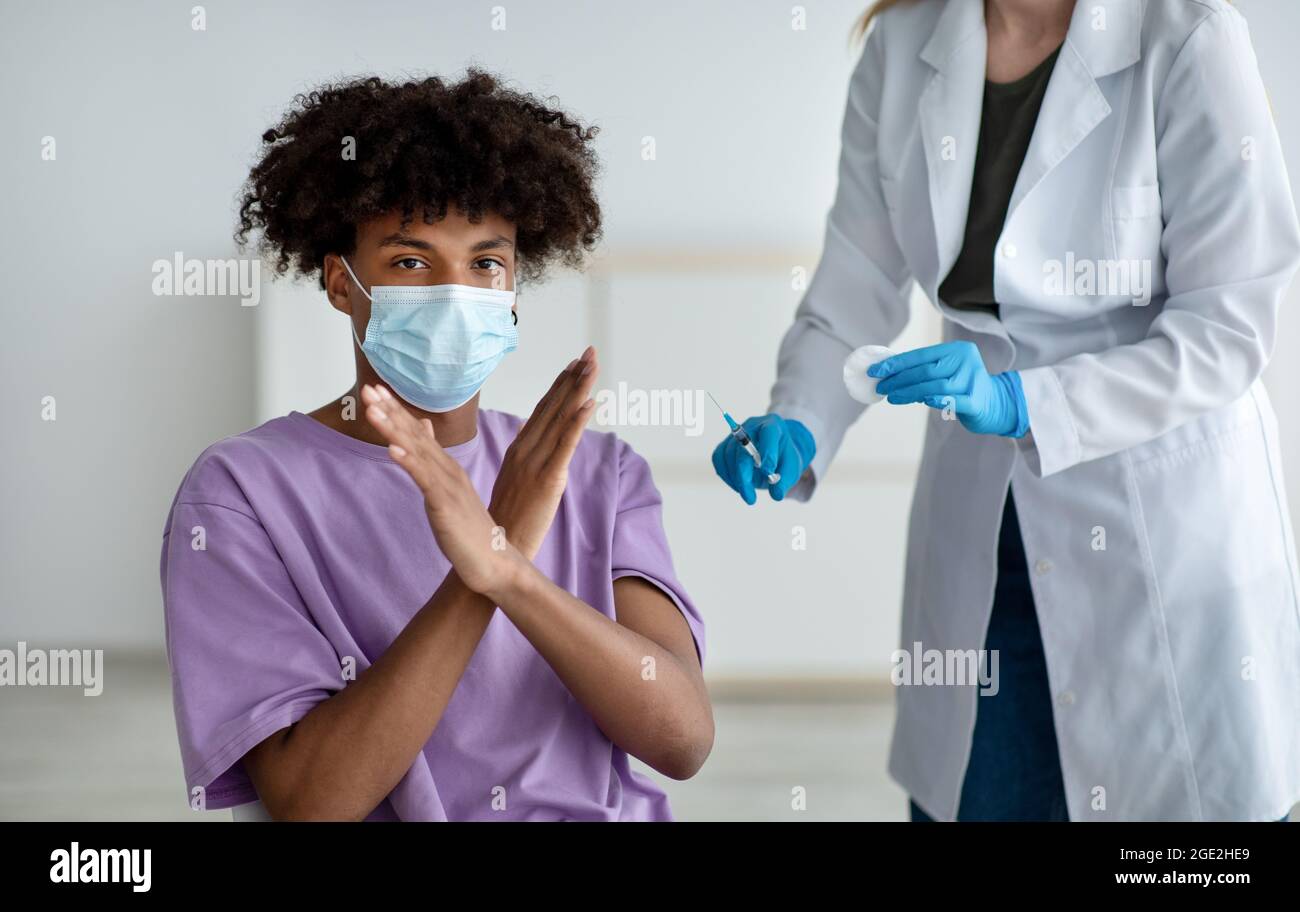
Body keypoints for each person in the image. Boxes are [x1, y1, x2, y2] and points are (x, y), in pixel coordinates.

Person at [714, 0, 1300, 821]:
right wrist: (798, 418)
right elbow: (854, 287)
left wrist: (1029, 401)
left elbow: (1229, 324)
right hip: (984, 531)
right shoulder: (902, 44)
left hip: (1156, 526)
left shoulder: (1190, 34)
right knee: (981, 794)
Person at [160, 71, 712, 821]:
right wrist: (478, 571)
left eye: (486, 263)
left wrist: (512, 574)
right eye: (411, 261)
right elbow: (309, 804)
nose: (457, 292)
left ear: (513, 289)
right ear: (340, 283)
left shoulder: (596, 473)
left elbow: (682, 740)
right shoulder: (240, 494)